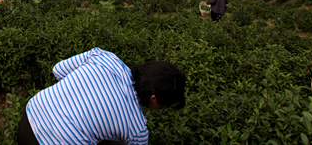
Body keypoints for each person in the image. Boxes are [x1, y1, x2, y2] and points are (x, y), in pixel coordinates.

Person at [18, 47, 186, 145]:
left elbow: (57, 70)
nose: (162, 109)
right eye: (164, 106)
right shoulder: (137, 129)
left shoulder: (104, 57)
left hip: (30, 117)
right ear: (153, 98)